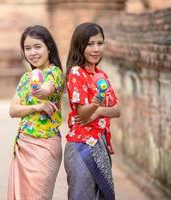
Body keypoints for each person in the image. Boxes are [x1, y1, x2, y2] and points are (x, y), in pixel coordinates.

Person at [7, 25, 64, 200]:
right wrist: (35, 107)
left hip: (45, 146)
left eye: (37, 47)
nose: (33, 52)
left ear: (49, 48)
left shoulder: (55, 73)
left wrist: (40, 91)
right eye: (27, 48)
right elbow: (13, 110)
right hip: (23, 144)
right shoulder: (25, 78)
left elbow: (46, 90)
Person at [64, 22, 121, 200]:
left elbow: (117, 110)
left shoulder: (101, 75)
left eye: (99, 43)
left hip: (100, 144)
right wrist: (96, 106)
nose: (96, 49)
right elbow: (82, 114)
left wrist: (97, 111)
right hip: (82, 147)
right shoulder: (76, 73)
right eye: (90, 44)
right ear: (79, 46)